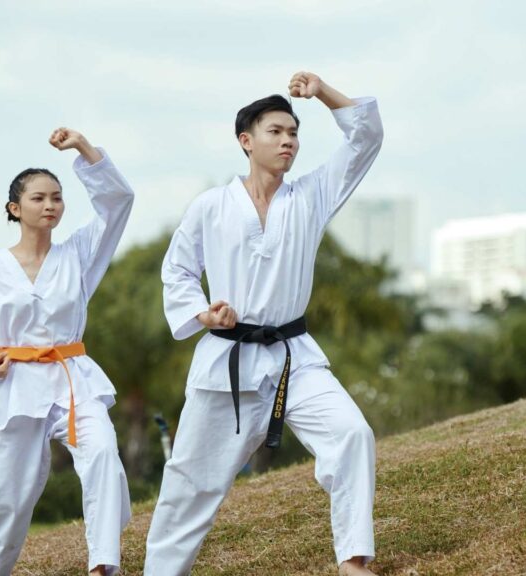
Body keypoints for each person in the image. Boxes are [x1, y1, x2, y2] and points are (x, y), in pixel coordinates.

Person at [145, 71, 384, 576]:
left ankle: (354, 561)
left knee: (352, 435)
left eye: (294, 133)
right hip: (225, 362)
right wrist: (203, 313)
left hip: (295, 357)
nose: (288, 141)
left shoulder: (312, 196)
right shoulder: (211, 205)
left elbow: (366, 135)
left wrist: (320, 93)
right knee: (190, 483)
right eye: (276, 131)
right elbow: (178, 270)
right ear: (246, 141)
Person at [0, 128, 134, 576]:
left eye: (57, 198)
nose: (50, 206)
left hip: (71, 377)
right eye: (40, 198)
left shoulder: (79, 255)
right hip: (14, 386)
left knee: (102, 451)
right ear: (14, 208)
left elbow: (118, 202)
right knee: (5, 499)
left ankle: (103, 565)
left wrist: (84, 148)